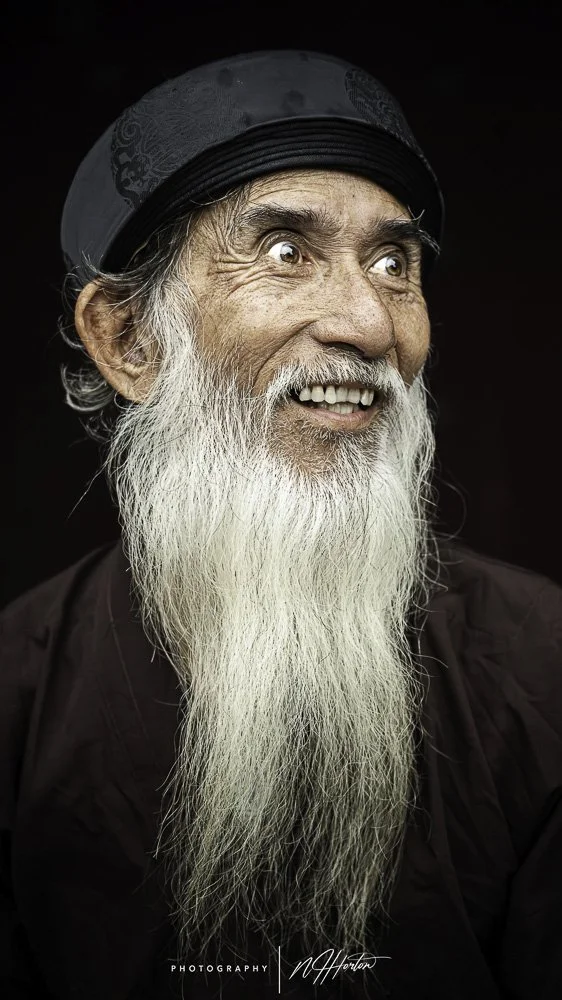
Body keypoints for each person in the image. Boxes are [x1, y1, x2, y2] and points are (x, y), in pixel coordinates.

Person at [1, 50, 560, 1000]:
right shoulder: (15, 694)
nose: (368, 324)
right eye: (283, 252)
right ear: (128, 342)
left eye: (394, 263)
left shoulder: (546, 664)